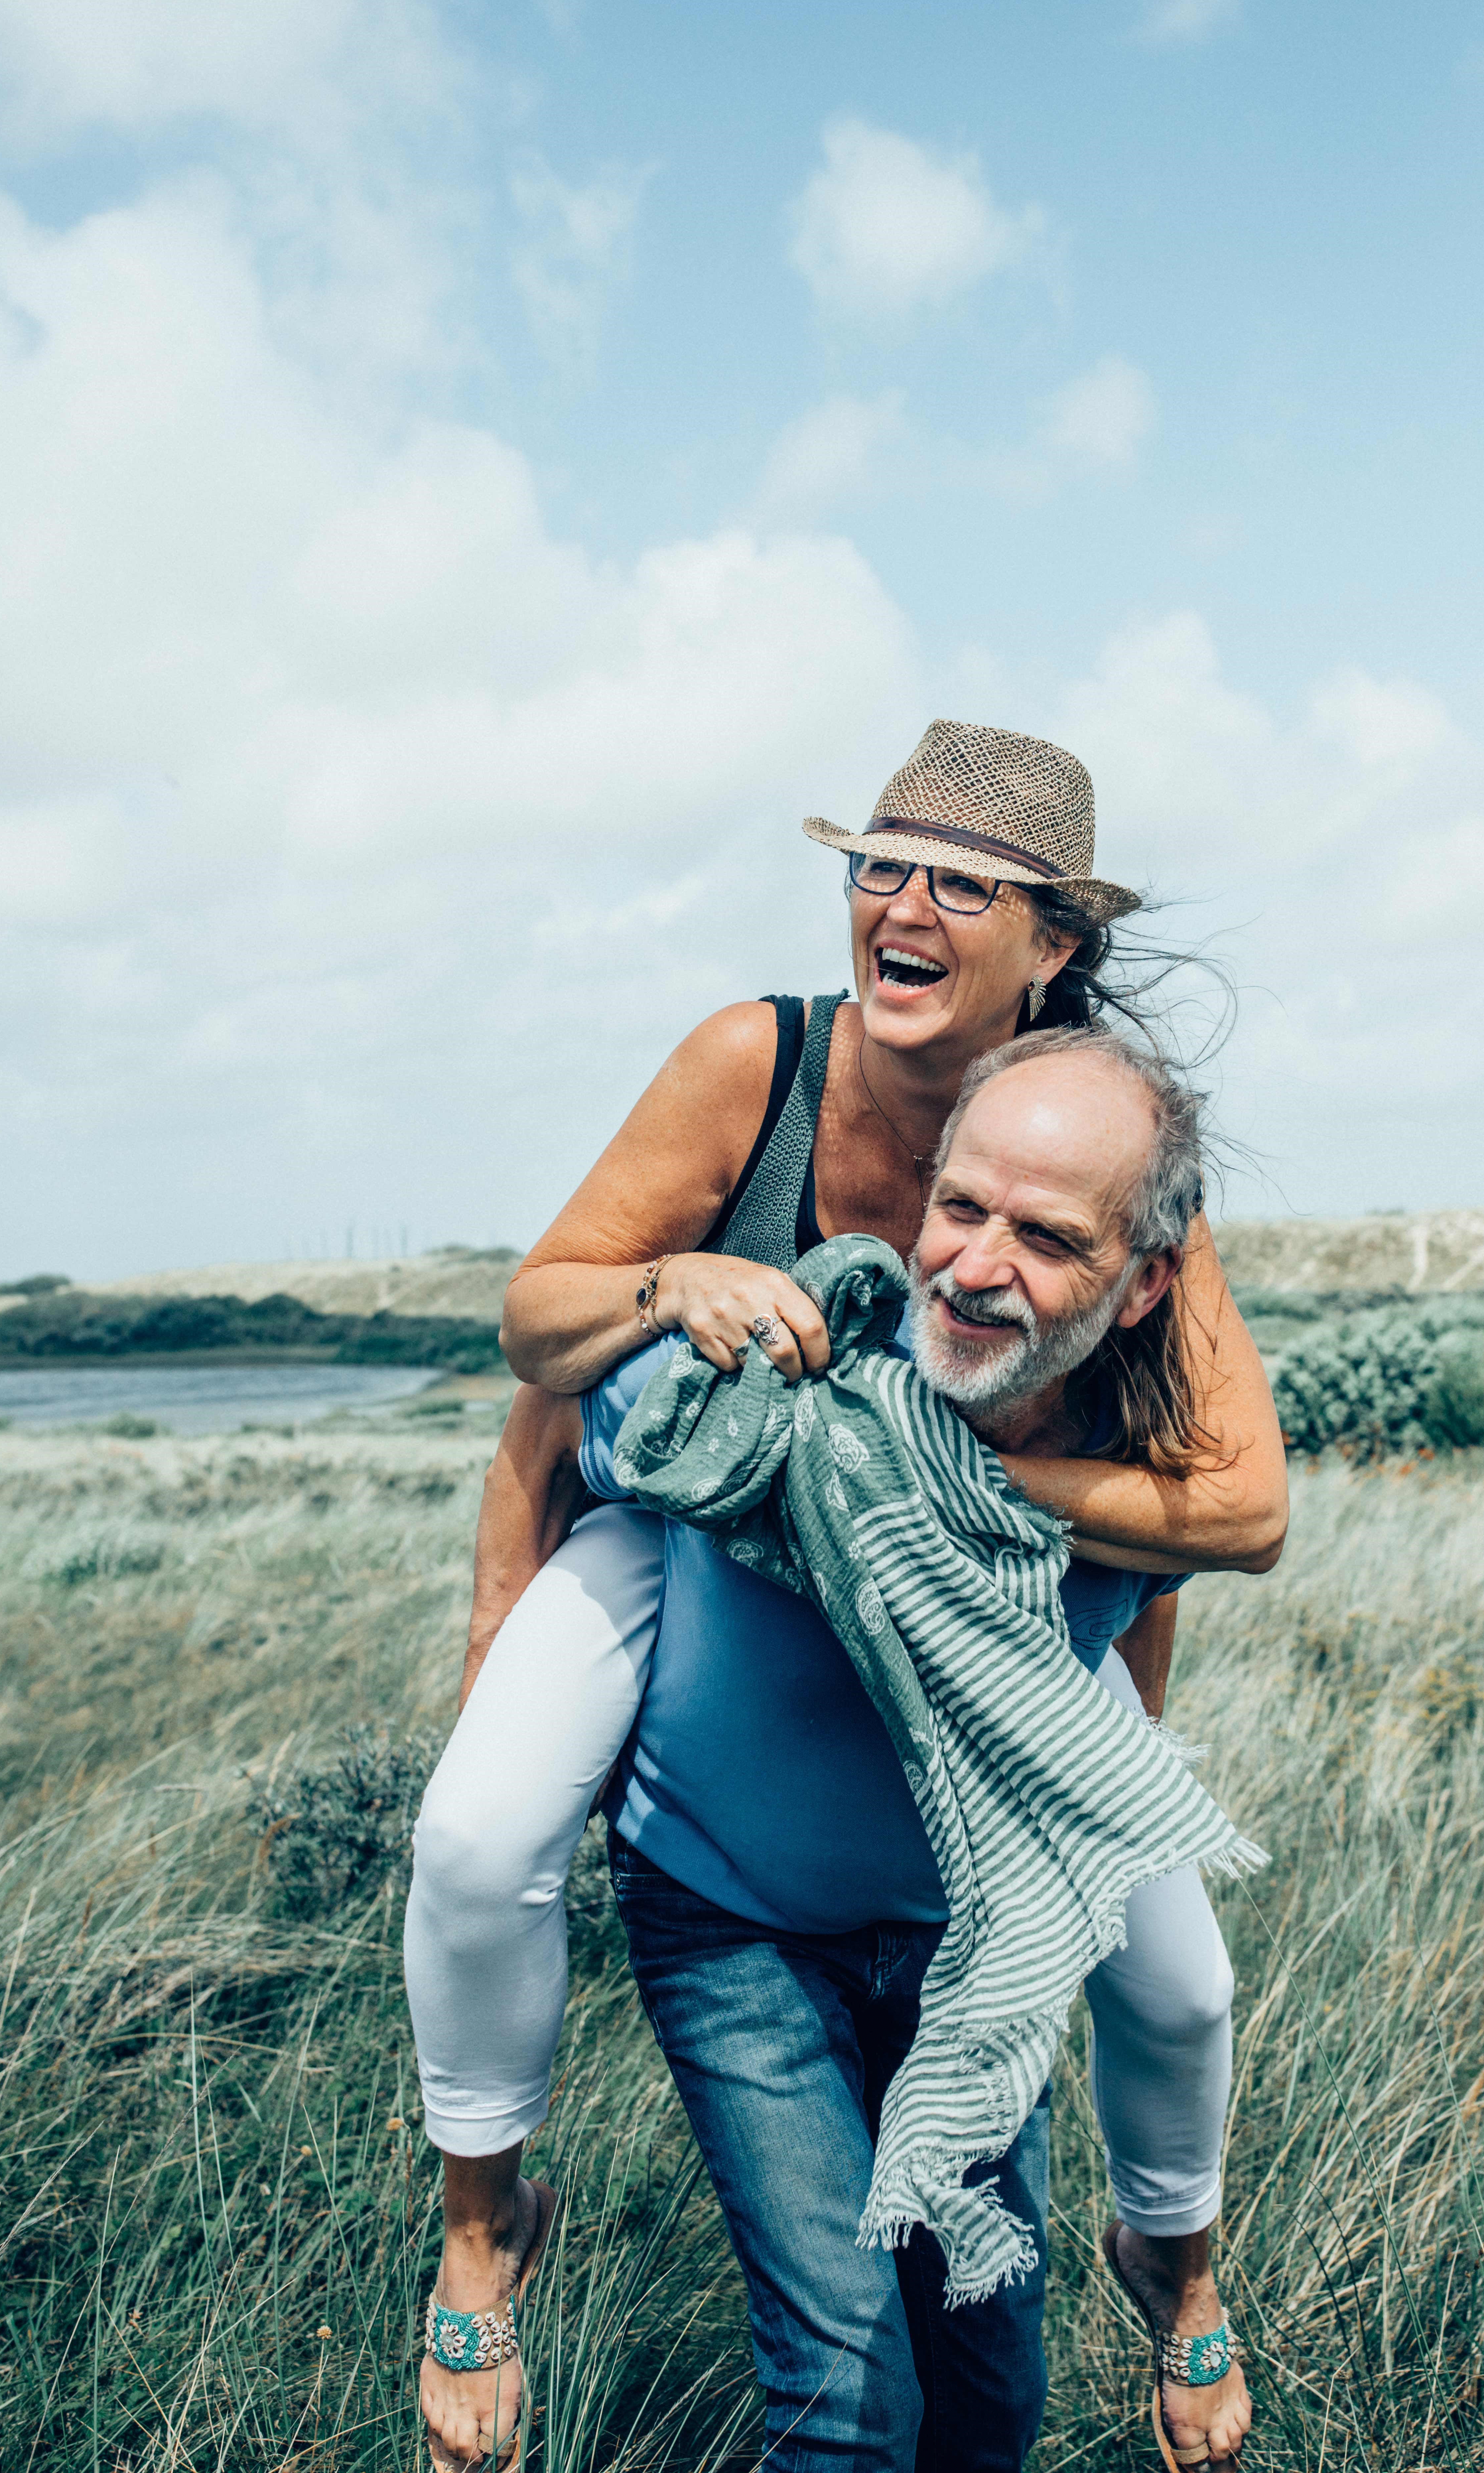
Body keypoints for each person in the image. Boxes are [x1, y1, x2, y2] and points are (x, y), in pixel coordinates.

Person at [408, 725, 1288, 2470]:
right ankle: (482, 2218)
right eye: (881, 861)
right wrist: (672, 1288)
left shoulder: (1090, 1138)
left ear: (1050, 946)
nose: (904, 899)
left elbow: (1221, 1496)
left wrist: (963, 1508)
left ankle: (1178, 2270)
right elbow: (542, 1341)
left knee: (1179, 1977)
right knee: (477, 1834)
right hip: (691, 1526)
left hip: (993, 1589)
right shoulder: (761, 1057)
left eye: (963, 879)